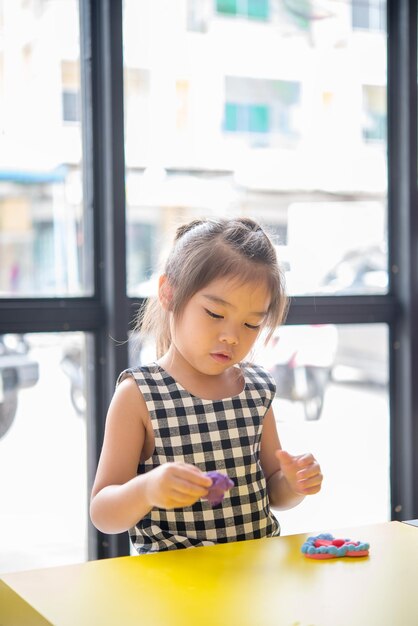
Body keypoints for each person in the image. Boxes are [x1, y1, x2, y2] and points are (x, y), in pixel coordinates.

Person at [90, 217, 323, 553]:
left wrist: (295, 483)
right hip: (174, 585)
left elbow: (275, 493)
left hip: (254, 575)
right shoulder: (140, 394)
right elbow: (103, 512)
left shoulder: (256, 390)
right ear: (168, 293)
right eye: (215, 314)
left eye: (251, 323)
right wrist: (146, 490)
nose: (231, 336)